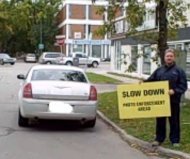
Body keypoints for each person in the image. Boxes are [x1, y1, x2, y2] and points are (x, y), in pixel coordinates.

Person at [145, 48, 187, 147]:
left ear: (174, 57)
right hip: (160, 101)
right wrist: (143, 83)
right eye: (167, 56)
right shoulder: (159, 70)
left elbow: (183, 86)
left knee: (174, 121)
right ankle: (159, 139)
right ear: (164, 58)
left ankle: (175, 140)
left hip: (173, 101)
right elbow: (151, 80)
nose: (169, 58)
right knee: (160, 120)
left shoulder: (179, 71)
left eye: (171, 56)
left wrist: (175, 91)